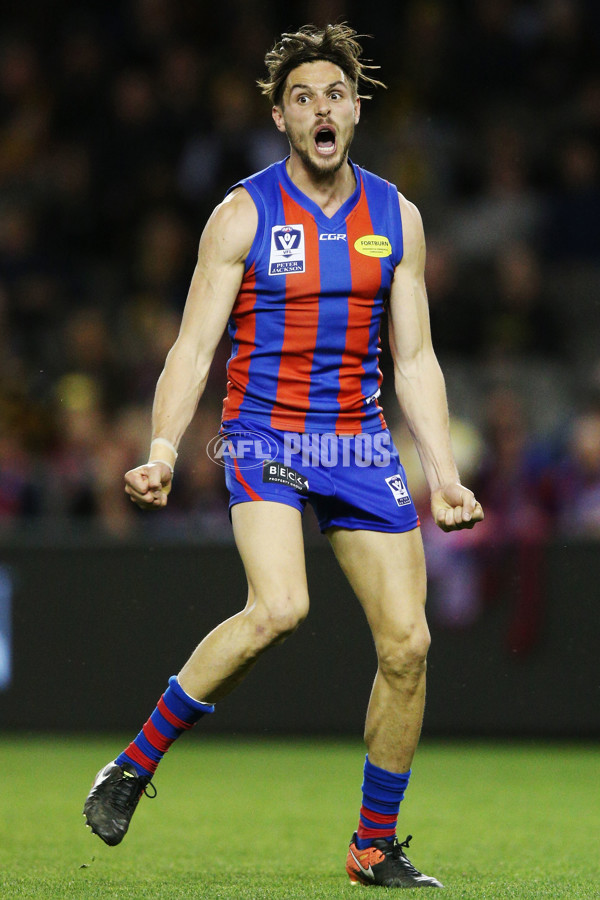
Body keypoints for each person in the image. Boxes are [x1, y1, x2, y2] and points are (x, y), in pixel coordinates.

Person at [83, 24, 484, 889]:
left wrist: (444, 472)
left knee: (409, 644)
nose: (320, 109)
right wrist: (160, 447)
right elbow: (193, 348)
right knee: (279, 608)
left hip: (357, 440)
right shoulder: (243, 213)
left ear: (357, 110)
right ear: (281, 117)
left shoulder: (396, 218)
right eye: (302, 98)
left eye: (333, 95)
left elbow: (413, 360)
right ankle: (133, 765)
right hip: (264, 433)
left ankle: (372, 847)